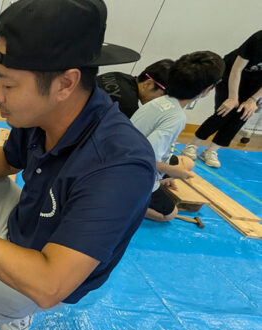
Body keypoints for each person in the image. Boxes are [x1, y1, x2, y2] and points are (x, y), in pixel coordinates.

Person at [0, 0, 156, 330]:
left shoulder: (119, 166)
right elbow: (6, 162)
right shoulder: (44, 115)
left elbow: (50, 285)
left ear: (65, 83)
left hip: (41, 274)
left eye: (7, 85)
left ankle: (13, 307)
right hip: (20, 224)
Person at [130, 52, 225, 222]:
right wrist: (171, 171)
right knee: (169, 214)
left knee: (188, 164)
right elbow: (142, 158)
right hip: (130, 172)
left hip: (125, 160)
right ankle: (126, 201)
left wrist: (164, 177)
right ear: (206, 90)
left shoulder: (159, 101)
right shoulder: (176, 117)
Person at [182, 30, 262, 168]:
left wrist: (253, 100)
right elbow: (236, 70)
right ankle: (193, 144)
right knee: (226, 110)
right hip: (231, 73)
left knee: (242, 114)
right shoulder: (258, 39)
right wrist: (232, 97)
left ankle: (211, 151)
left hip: (255, 81)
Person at [96, 59, 174, 118]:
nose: (161, 101)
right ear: (148, 84)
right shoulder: (128, 107)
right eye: (162, 96)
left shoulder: (118, 75)